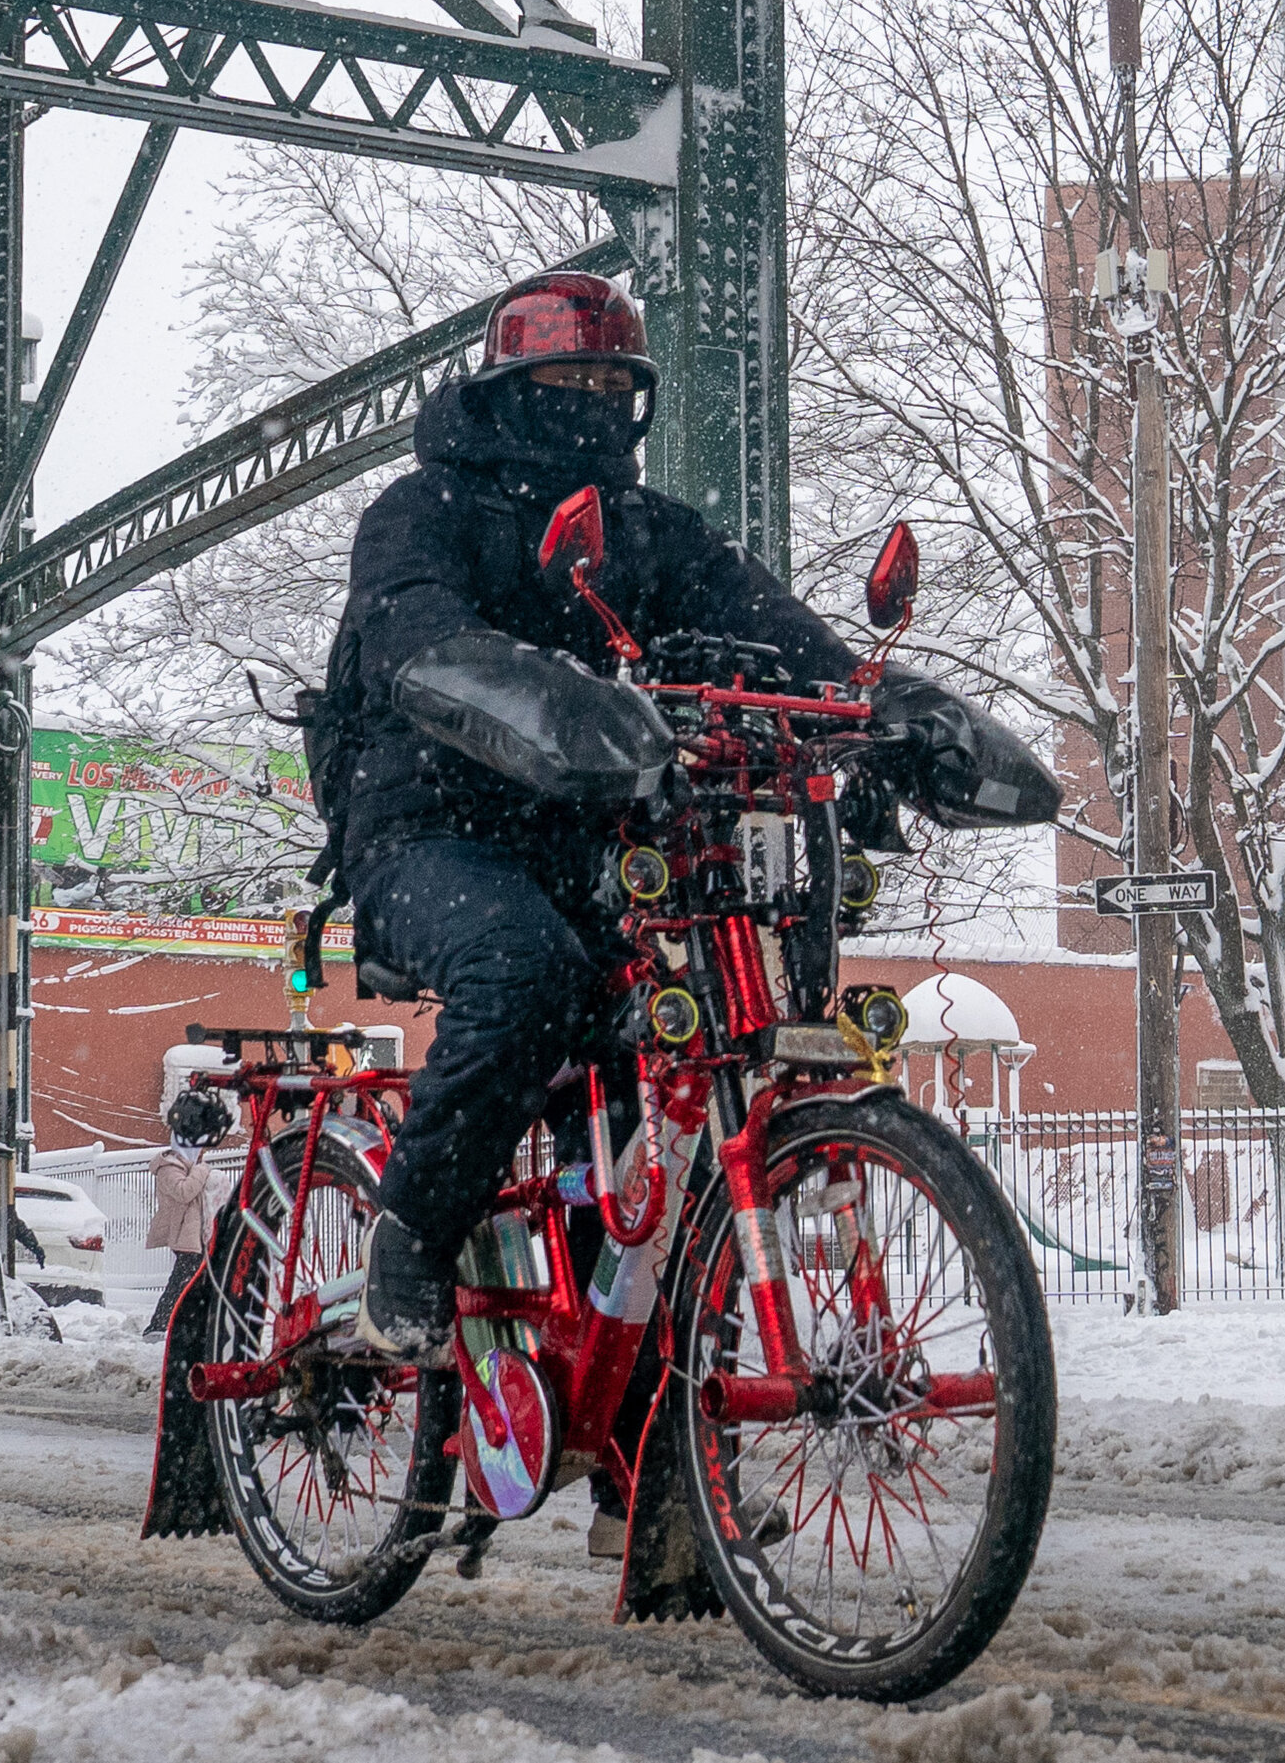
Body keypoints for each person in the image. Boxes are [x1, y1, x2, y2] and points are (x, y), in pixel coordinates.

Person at [325, 270, 1059, 1362]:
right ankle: (415, 1231)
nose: (592, 397)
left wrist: (884, 710)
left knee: (682, 1032)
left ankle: (649, 1431)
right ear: (512, 387)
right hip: (429, 830)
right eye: (571, 375)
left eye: (613, 380)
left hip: (594, 842)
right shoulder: (423, 515)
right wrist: (550, 701)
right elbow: (415, 638)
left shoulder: (653, 533)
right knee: (528, 975)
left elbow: (777, 636)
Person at [143, 1129, 216, 1339]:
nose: (201, 1152)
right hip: (183, 1235)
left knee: (194, 1282)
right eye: (198, 1147)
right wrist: (202, 1171)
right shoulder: (169, 1168)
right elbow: (184, 1192)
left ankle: (186, 1326)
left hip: (194, 1235)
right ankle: (158, 1325)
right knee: (181, 1282)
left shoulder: (187, 1167)